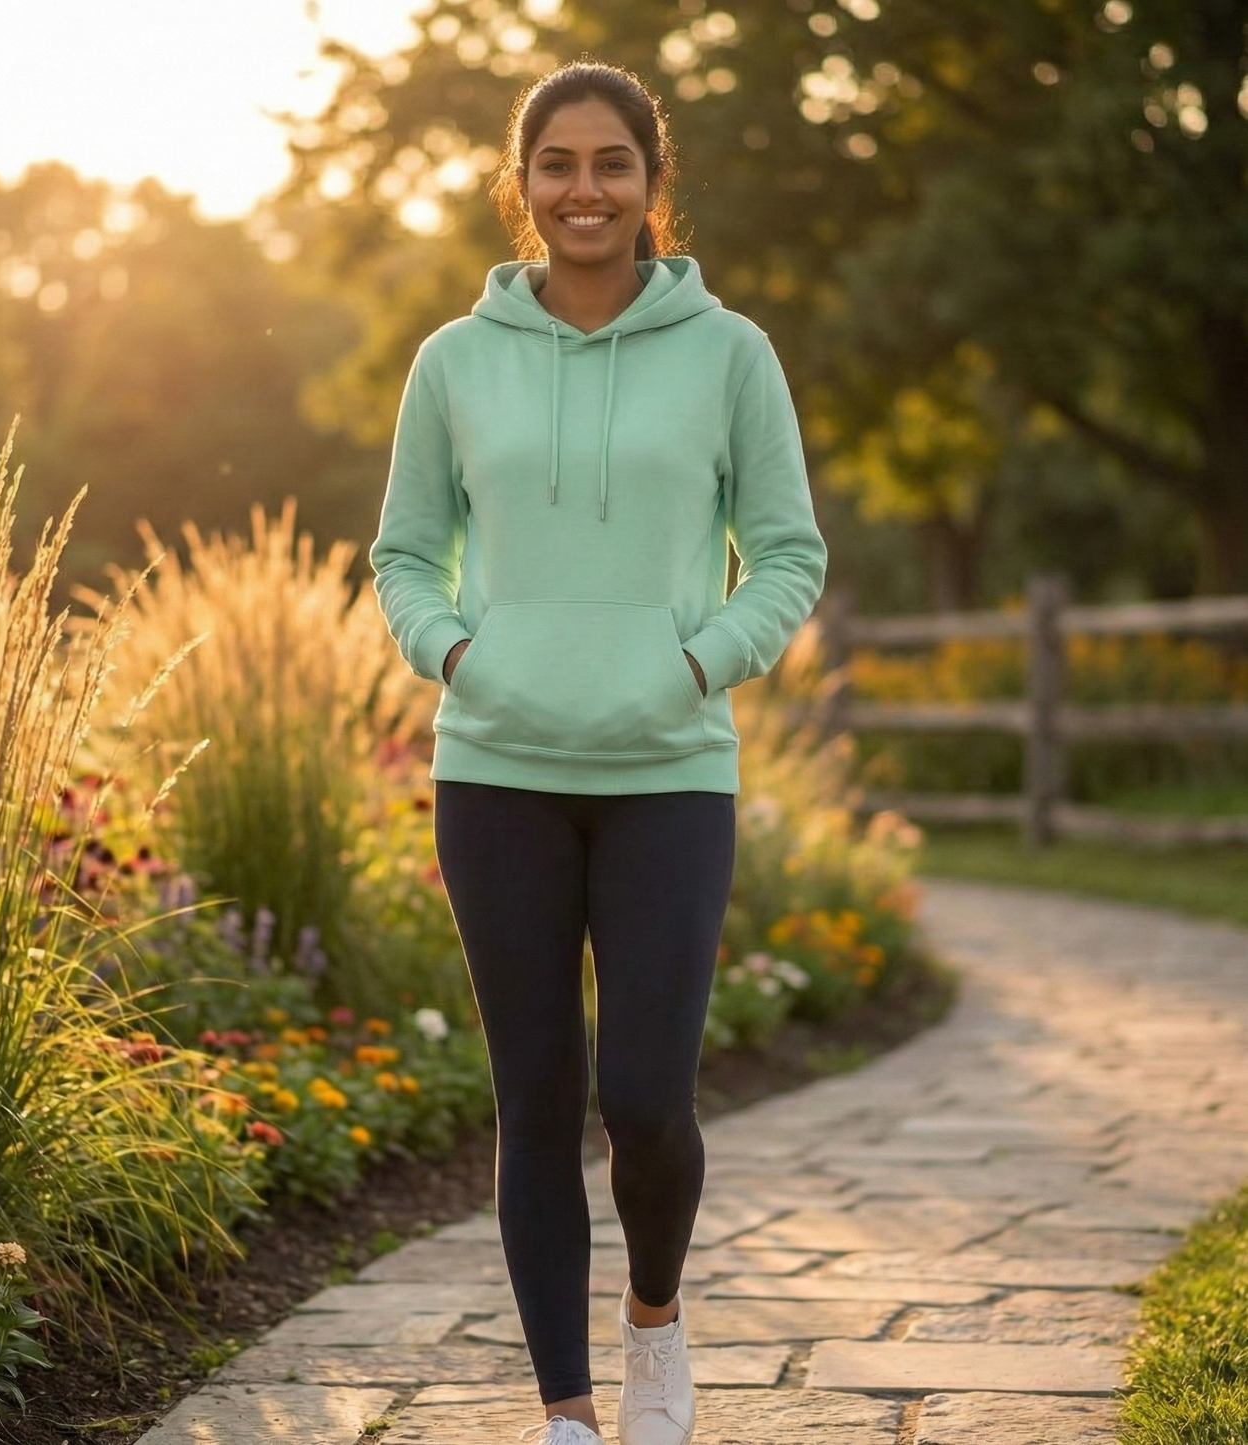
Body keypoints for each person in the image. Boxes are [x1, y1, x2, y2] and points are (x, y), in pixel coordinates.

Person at [371, 61, 827, 1445]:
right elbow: (403, 558)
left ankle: (654, 1322)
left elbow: (790, 556)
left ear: (650, 181)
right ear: (524, 187)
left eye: (612, 163)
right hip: (497, 771)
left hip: (669, 776)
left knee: (643, 1097)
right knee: (538, 1099)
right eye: (558, 164)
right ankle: (568, 1417)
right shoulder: (454, 362)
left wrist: (692, 664)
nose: (585, 188)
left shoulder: (731, 351)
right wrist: (463, 654)